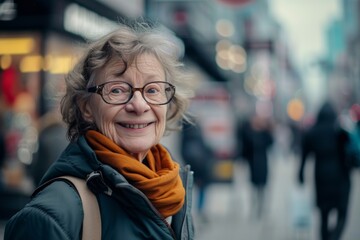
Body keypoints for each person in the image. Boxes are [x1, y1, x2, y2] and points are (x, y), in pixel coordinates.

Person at [5, 21, 194, 240]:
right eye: (117, 90)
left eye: (152, 89)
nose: (139, 105)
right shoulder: (50, 217)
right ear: (86, 108)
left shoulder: (171, 189)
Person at [298, 101, 351, 240]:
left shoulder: (312, 132)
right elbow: (350, 150)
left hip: (320, 176)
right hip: (340, 176)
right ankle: (335, 236)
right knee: (342, 212)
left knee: (324, 214)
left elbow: (304, 156)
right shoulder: (339, 131)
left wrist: (301, 174)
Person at [238, 113, 274, 219]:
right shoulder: (249, 133)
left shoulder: (264, 133)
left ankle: (261, 208)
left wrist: (266, 129)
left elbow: (270, 142)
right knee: (253, 187)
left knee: (262, 187)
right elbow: (244, 144)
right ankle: (254, 208)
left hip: (262, 163)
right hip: (252, 163)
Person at [181, 120, 214, 221]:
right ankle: (199, 210)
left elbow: (182, 150)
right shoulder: (196, 134)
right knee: (201, 189)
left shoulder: (185, 134)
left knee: (191, 189)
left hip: (192, 165)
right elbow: (205, 148)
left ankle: (193, 210)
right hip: (201, 166)